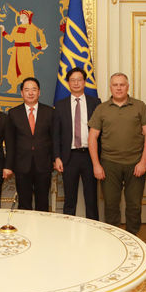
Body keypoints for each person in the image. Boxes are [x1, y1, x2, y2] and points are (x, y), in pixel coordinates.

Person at [88, 72, 146, 235]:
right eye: (115, 85)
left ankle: (133, 239)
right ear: (110, 87)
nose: (118, 88)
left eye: (122, 84)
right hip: (109, 164)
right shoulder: (101, 109)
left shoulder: (140, 106)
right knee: (110, 205)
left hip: (135, 164)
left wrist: (143, 163)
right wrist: (96, 165)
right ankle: (115, 240)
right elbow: (92, 137)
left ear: (128, 86)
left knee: (134, 205)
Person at [53, 67, 101, 219]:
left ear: (85, 82)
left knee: (91, 199)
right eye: (72, 80)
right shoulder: (60, 105)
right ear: (67, 83)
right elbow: (56, 134)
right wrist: (57, 157)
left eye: (79, 80)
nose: (76, 83)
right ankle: (68, 234)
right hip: (69, 157)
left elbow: (102, 132)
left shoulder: (96, 103)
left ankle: (94, 234)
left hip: (90, 156)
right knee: (69, 199)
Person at [5, 77, 54, 211]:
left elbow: (54, 138)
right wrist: (9, 165)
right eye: (27, 90)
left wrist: (55, 159)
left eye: (34, 89)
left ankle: (41, 231)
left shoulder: (49, 112)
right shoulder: (13, 113)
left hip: (43, 164)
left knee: (42, 202)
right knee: (24, 204)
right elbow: (10, 142)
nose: (30, 93)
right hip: (22, 165)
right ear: (21, 93)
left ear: (39, 92)